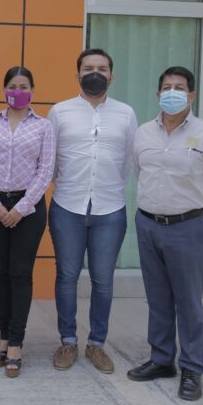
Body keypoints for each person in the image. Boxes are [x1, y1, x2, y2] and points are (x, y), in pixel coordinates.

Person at [127, 66, 203, 401]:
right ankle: (161, 360)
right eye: (167, 87)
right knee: (157, 298)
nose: (173, 92)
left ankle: (191, 367)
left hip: (188, 226)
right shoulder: (143, 132)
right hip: (147, 224)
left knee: (188, 301)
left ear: (191, 95)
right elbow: (137, 171)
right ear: (158, 94)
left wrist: (196, 211)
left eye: (180, 87)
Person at [48, 48, 137, 374]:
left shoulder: (126, 114)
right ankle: (68, 341)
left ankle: (97, 344)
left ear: (111, 75)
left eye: (101, 68)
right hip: (67, 206)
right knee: (67, 277)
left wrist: (108, 186)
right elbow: (51, 159)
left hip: (109, 209)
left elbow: (128, 161)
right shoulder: (60, 112)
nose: (95, 72)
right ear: (78, 74)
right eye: (88, 68)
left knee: (103, 280)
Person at [0, 66, 54, 378]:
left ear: (32, 90)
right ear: (4, 89)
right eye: (12, 85)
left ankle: (17, 342)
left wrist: (21, 207)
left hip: (29, 208)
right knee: (1, 273)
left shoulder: (44, 127)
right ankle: (3, 337)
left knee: (21, 274)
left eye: (23, 85)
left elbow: (45, 171)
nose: (17, 90)